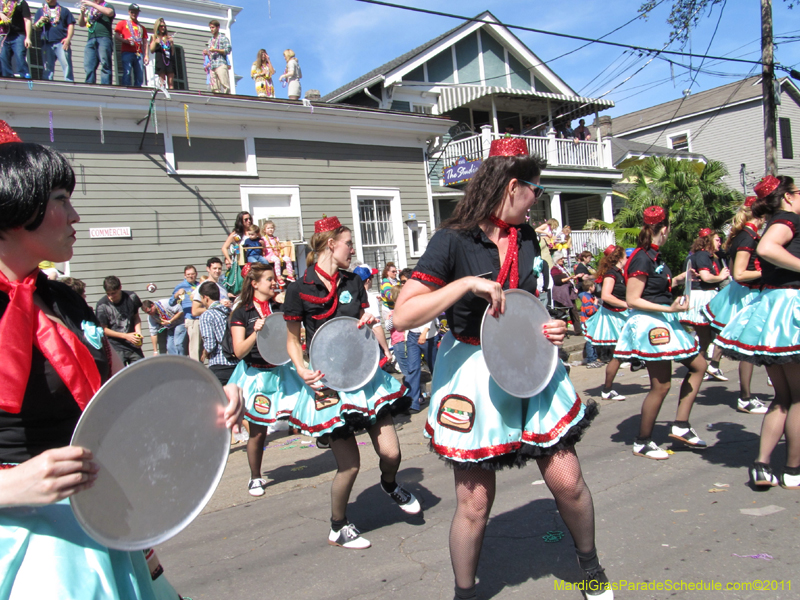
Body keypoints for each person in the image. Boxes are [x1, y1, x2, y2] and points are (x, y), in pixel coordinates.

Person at [0, 120, 212, 599]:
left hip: (98, 524)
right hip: (22, 543)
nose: (75, 215)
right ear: (14, 205)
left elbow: (119, 403)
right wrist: (9, 488)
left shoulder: (65, 302)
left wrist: (206, 407)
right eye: (60, 200)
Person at [393, 138, 612, 600]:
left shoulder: (527, 237)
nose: (539, 199)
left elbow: (532, 306)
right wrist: (466, 283)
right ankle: (466, 593)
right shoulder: (452, 238)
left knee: (568, 483)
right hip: (471, 369)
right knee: (474, 503)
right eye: (536, 189)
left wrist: (549, 327)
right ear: (514, 186)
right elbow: (403, 315)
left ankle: (590, 565)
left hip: (530, 364)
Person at [283, 215, 420, 550]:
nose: (353, 250)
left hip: (365, 375)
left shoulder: (353, 282)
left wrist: (371, 323)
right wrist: (301, 369)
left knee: (391, 452)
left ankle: (390, 484)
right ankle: (338, 525)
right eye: (348, 244)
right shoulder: (298, 289)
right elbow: (291, 339)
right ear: (331, 244)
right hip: (328, 383)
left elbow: (365, 321)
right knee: (350, 465)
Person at [714, 175, 800, 489]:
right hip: (791, 309)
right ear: (788, 197)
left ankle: (763, 465)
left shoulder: (774, 221)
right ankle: (792, 470)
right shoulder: (788, 219)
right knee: (798, 397)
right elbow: (767, 249)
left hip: (774, 307)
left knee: (783, 397)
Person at [614, 206, 706, 460]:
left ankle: (681, 424)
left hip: (662, 319)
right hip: (651, 323)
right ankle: (643, 441)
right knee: (661, 385)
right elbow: (633, 299)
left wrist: (679, 278)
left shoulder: (654, 256)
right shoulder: (642, 257)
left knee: (699, 365)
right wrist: (669, 306)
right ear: (664, 229)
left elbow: (655, 286)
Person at [226, 263, 309, 496]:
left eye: (274, 279)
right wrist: (256, 332)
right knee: (259, 431)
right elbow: (239, 351)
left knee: (311, 399)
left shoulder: (278, 307)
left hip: (282, 371)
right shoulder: (241, 312)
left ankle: (328, 437)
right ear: (254, 284)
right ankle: (255, 477)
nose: (274, 282)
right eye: (269, 279)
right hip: (256, 376)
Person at [702, 198, 767, 415]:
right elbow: (738, 273)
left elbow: (731, 269)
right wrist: (769, 273)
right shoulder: (748, 237)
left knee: (751, 346)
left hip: (745, 292)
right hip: (748, 294)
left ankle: (756, 392)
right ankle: (746, 397)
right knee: (747, 349)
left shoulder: (741, 236)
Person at [680, 228, 730, 378]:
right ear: (708, 241)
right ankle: (707, 365)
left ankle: (703, 366)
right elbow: (706, 277)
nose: (719, 242)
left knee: (707, 337)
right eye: (716, 239)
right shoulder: (702, 255)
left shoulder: (704, 255)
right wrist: (721, 276)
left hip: (705, 295)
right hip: (703, 296)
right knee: (720, 332)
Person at [585, 245, 629, 401]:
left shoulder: (618, 273)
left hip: (620, 314)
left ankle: (608, 388)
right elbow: (606, 296)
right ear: (619, 257)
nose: (627, 258)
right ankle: (607, 389)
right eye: (625, 256)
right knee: (618, 355)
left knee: (620, 354)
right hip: (614, 316)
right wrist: (627, 304)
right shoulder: (611, 274)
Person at [95, 275, 144, 365]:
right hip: (115, 347)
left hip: (133, 345)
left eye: (113, 293)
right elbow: (103, 329)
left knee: (141, 371)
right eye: (108, 293)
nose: (111, 296)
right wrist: (125, 336)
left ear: (120, 288)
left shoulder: (132, 297)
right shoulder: (102, 305)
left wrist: (138, 333)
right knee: (120, 376)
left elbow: (136, 317)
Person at [197, 280, 238, 385]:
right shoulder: (229, 311)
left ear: (206, 298)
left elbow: (210, 345)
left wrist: (205, 352)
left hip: (219, 364)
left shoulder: (207, 315)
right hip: (237, 363)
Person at [353, 264, 393, 367]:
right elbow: (376, 327)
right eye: (372, 277)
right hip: (370, 344)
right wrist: (386, 350)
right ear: (368, 280)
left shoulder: (351, 296)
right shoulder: (369, 298)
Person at [33, 0, 75, 82]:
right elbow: (35, 27)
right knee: (47, 67)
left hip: (61, 42)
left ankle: (69, 85)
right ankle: (46, 86)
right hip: (46, 43)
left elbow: (71, 25)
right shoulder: (40, 11)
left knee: (66, 65)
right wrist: (40, 22)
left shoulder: (64, 10)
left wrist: (68, 38)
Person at [79, 0, 115, 85]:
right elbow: (81, 23)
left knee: (105, 63)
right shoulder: (91, 10)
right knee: (89, 65)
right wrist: (82, 13)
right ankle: (89, 85)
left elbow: (109, 12)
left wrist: (92, 4)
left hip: (104, 38)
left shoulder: (107, 5)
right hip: (91, 39)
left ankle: (106, 86)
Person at [114, 3, 147, 87]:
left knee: (139, 75)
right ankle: (126, 89)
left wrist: (146, 55)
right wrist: (125, 41)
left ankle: (138, 90)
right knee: (127, 72)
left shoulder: (141, 27)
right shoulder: (123, 23)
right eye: (132, 12)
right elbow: (116, 36)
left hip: (139, 52)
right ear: (129, 12)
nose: (134, 14)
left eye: (136, 12)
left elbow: (145, 42)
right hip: (127, 52)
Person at [169, 264, 197, 358]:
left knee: (197, 347)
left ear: (196, 274)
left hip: (199, 318)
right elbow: (171, 303)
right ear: (184, 275)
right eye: (188, 274)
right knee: (179, 344)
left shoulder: (199, 285)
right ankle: (182, 363)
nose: (190, 276)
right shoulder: (180, 286)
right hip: (186, 319)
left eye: (192, 274)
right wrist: (177, 294)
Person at [551, 251, 581, 335]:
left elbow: (568, 278)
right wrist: (569, 278)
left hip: (569, 292)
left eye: (563, 259)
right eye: (561, 259)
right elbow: (558, 281)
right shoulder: (554, 269)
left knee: (574, 311)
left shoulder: (563, 268)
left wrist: (574, 278)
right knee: (562, 312)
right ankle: (563, 331)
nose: (562, 260)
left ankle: (578, 330)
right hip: (561, 294)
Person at [0, 0, 31, 79]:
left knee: (20, 56)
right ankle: (8, 78)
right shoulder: (2, 3)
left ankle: (24, 77)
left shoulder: (21, 3)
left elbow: (27, 20)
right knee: (3, 57)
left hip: (18, 34)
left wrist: (28, 37)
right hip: (4, 35)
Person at [578, 279, 602, 368]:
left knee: (593, 340)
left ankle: (594, 358)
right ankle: (591, 359)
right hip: (587, 322)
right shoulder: (587, 297)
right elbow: (589, 311)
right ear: (590, 287)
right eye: (594, 286)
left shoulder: (589, 296)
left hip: (590, 322)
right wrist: (595, 304)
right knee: (590, 341)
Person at [204, 19, 231, 94]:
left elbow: (228, 50)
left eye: (213, 27)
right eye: (210, 28)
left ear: (218, 27)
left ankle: (227, 99)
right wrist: (207, 53)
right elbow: (211, 54)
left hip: (221, 64)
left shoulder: (223, 38)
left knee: (225, 84)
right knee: (214, 87)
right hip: (213, 66)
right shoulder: (210, 40)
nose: (211, 29)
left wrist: (216, 50)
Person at [149, 17, 175, 89]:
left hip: (169, 59)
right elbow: (151, 50)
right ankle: (163, 95)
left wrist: (172, 44)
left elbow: (172, 53)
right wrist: (155, 42)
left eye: (164, 26)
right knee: (162, 82)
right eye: (161, 26)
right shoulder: (154, 37)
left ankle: (171, 95)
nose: (163, 28)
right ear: (157, 27)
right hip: (161, 59)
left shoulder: (168, 37)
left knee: (171, 82)